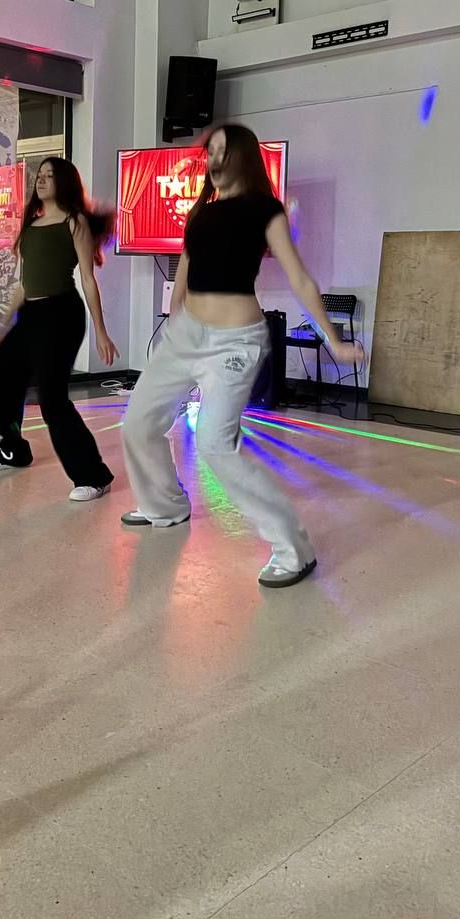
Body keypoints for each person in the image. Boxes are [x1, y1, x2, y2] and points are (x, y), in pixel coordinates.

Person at [121, 124, 363, 587]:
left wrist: (333, 340)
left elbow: (300, 278)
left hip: (235, 341)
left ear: (242, 158)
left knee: (214, 444)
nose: (212, 159)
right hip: (186, 335)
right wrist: (174, 322)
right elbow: (185, 271)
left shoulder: (264, 210)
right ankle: (165, 505)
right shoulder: (201, 213)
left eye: (221, 151)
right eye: (209, 151)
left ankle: (294, 550)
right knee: (138, 423)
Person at [0, 157, 118, 502]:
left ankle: (94, 476)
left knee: (52, 400)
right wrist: (2, 325)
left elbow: (88, 278)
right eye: (39, 175)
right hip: (31, 314)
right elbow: (26, 284)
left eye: (49, 176)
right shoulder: (32, 224)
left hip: (61, 315)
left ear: (64, 182)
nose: (41, 180)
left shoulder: (74, 221)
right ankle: (11, 451)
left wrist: (101, 331)